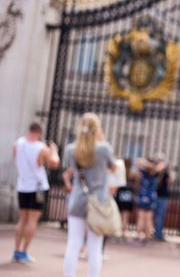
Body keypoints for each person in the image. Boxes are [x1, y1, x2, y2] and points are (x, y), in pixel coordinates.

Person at [63, 113, 117, 277]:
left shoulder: (71, 149)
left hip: (78, 199)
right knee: (95, 247)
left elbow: (71, 169)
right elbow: (114, 168)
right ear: (97, 129)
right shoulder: (104, 148)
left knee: (73, 243)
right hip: (98, 201)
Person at [12, 122, 60, 263]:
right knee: (32, 220)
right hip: (37, 187)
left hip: (23, 185)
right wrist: (54, 150)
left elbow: (16, 160)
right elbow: (54, 163)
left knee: (22, 220)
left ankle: (16, 250)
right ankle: (24, 251)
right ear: (39, 132)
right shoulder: (41, 147)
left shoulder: (17, 144)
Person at [134, 156, 165, 244]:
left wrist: (147, 165)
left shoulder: (144, 172)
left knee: (142, 218)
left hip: (143, 196)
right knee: (148, 219)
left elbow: (138, 162)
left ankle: (139, 237)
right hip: (151, 197)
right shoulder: (154, 172)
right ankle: (146, 238)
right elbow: (161, 166)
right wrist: (152, 165)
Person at [153, 156, 174, 241]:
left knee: (159, 216)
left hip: (162, 196)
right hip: (158, 196)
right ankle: (158, 233)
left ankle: (158, 232)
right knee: (157, 216)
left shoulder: (165, 172)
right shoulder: (155, 171)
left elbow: (170, 181)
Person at [114, 160, 135, 242]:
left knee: (119, 216)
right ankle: (123, 233)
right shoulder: (132, 173)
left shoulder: (120, 171)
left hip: (120, 194)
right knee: (125, 216)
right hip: (128, 195)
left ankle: (118, 233)